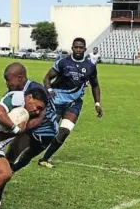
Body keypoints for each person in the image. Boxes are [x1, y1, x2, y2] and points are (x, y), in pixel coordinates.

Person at [0, 62, 58, 209]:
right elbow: (1, 111)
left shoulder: (37, 90)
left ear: (20, 78)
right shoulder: (15, 94)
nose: (7, 83)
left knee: (17, 161)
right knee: (9, 161)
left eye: (8, 79)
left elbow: (38, 120)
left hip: (45, 133)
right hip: (28, 131)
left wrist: (12, 131)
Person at [38, 37, 102, 169]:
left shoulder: (90, 66)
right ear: (72, 48)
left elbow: (95, 85)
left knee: (65, 131)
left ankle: (45, 158)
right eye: (76, 47)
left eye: (81, 47)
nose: (78, 50)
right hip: (57, 101)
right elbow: (47, 78)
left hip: (74, 102)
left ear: (85, 49)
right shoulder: (63, 63)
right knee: (50, 131)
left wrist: (97, 103)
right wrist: (49, 90)